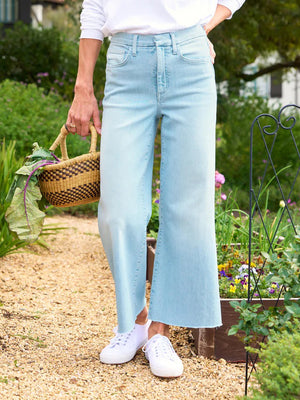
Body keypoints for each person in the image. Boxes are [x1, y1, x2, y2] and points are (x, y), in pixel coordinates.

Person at [66, 0, 245, 378]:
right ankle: (136, 322)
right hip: (127, 65)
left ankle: (161, 330)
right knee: (119, 209)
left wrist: (204, 26)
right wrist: (83, 86)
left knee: (188, 205)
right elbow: (95, 7)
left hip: (190, 63)